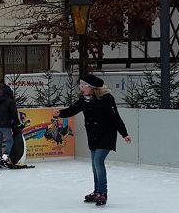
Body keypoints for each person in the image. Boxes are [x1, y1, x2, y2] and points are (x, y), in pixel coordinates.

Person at [54, 74, 131, 206]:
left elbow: (115, 117)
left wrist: (124, 134)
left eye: (83, 86)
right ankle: (97, 192)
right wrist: (60, 113)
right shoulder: (84, 99)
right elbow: (73, 109)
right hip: (93, 136)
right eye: (80, 86)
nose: (81, 88)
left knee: (98, 161)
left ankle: (103, 193)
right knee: (95, 164)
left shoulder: (106, 98)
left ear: (91, 87)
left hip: (106, 135)